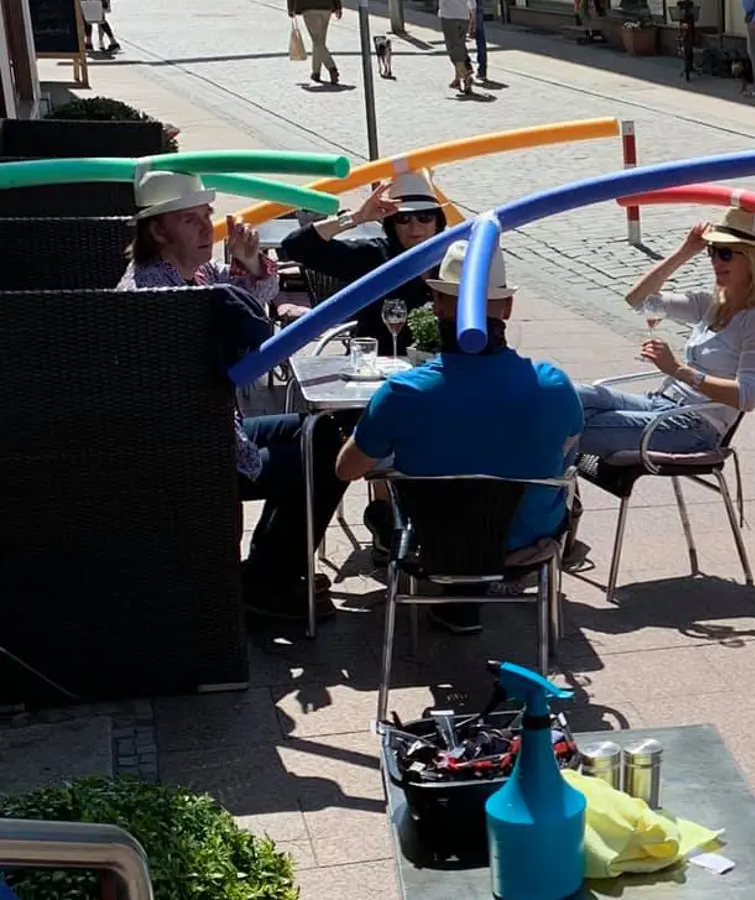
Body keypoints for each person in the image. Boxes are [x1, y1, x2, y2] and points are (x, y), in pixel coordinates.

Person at [117, 172, 349, 620]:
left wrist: (248, 261)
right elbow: (234, 340)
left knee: (323, 433)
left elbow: (250, 297)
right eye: (191, 220)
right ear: (158, 230)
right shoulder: (154, 297)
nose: (208, 229)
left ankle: (267, 570)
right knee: (330, 461)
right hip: (193, 453)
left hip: (223, 429)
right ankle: (267, 583)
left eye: (207, 215)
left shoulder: (189, 272)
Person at [336, 239, 583, 634]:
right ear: (507, 308)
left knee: (384, 509)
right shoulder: (553, 385)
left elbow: (346, 469)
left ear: (436, 304)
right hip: (527, 542)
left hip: (437, 542)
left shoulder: (403, 393)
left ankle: (454, 602)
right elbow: (571, 444)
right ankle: (470, 602)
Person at [573, 208, 755, 457]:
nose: (716, 262)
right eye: (712, 251)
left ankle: (544, 492)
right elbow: (639, 300)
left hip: (694, 425)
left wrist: (677, 370)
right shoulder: (710, 304)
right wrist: (685, 251)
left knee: (571, 428)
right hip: (662, 404)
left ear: (753, 260)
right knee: (571, 395)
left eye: (725, 254)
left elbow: (748, 397)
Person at [278, 173, 445, 356]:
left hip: (442, 366)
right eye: (403, 219)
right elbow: (296, 246)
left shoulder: (455, 257)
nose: (415, 227)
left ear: (438, 221)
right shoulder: (374, 255)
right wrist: (357, 217)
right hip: (379, 366)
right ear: (392, 223)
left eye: (425, 217)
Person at [420, 0, 478, 95]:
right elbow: (472, 0)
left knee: (453, 50)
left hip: (448, 17)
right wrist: (473, 19)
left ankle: (465, 75)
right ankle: (459, 77)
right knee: (460, 47)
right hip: (463, 16)